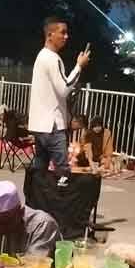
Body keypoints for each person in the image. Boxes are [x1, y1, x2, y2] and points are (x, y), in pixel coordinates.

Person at [27, 16, 92, 183]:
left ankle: (35, 203)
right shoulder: (52, 58)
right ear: (50, 34)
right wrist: (79, 66)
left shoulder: (42, 56)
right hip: (52, 125)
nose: (66, 36)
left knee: (40, 170)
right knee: (63, 172)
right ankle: (60, 206)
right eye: (62, 32)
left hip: (40, 124)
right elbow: (64, 89)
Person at [0, 180, 60, 257]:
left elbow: (34, 267)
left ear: (21, 212)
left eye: (6, 222)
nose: (1, 228)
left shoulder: (42, 224)